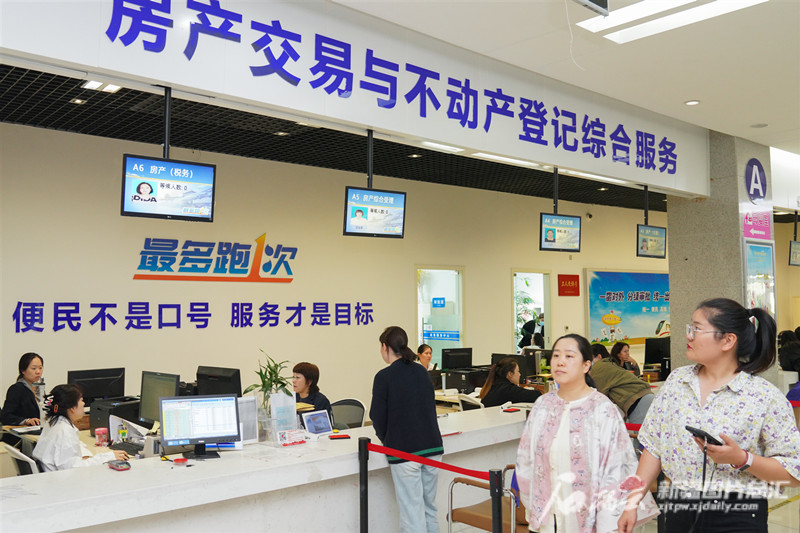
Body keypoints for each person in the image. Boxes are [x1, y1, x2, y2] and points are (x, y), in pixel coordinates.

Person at [619, 298, 800, 533]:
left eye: (696, 329)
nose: (688, 336)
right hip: (679, 509)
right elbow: (653, 447)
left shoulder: (764, 396)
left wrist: (742, 458)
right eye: (689, 328)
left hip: (739, 515)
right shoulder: (677, 382)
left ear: (728, 340)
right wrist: (632, 502)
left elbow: (793, 473)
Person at [516, 334, 657, 533]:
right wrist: (532, 504)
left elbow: (618, 466)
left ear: (586, 365)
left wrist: (612, 519)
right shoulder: (543, 405)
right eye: (556, 356)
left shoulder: (601, 408)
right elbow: (525, 458)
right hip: (545, 518)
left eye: (569, 356)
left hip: (589, 520)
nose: (560, 362)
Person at [370, 326, 443, 533]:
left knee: (412, 513)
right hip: (433, 448)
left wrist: (387, 439)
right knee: (429, 509)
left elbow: (377, 416)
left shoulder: (383, 376)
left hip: (404, 451)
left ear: (385, 347)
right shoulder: (421, 371)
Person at [32, 384, 128, 471]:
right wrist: (108, 457)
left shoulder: (54, 422)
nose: (83, 404)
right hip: (62, 481)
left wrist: (86, 455)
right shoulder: (65, 430)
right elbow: (73, 469)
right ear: (72, 408)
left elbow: (74, 445)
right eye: (81, 400)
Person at [590, 344, 654, 426]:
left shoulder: (598, 367)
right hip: (645, 397)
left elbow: (599, 396)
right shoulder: (610, 364)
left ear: (599, 356)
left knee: (641, 433)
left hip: (638, 403)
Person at [1, 352, 44, 427]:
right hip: (22, 432)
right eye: (33, 368)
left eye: (40, 368)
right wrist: (26, 421)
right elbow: (5, 416)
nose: (38, 372)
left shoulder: (40, 389)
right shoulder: (16, 389)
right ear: (23, 370)